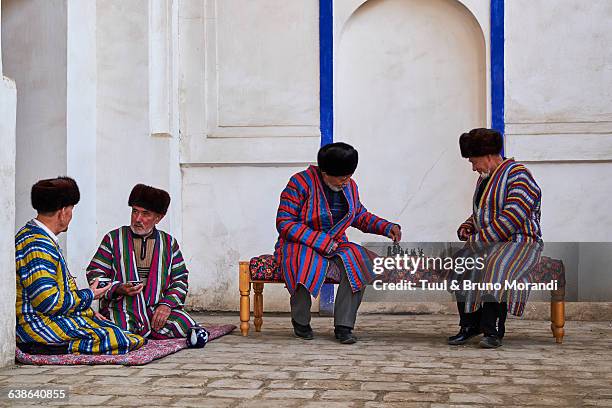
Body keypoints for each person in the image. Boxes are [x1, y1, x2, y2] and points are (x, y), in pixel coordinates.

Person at [274, 142, 402, 344]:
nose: (346, 181)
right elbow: (285, 222)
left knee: (358, 261)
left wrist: (386, 227)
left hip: (335, 243)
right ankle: (301, 321)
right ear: (324, 172)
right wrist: (320, 241)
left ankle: (344, 326)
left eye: (349, 175)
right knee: (302, 262)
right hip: (300, 242)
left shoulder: (350, 186)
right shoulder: (299, 183)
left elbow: (359, 215)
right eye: (342, 176)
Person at [16, 177, 145, 355]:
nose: (71, 215)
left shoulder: (35, 236)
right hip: (37, 325)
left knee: (120, 332)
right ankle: (52, 347)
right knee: (117, 338)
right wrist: (90, 295)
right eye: (71, 209)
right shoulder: (38, 245)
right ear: (63, 212)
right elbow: (48, 301)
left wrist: (85, 309)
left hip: (51, 316)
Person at [449, 128, 542, 348]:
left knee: (496, 265)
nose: (473, 168)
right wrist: (468, 226)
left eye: (474, 162)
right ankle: (470, 325)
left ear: (489, 156)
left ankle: (493, 330)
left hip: (520, 242)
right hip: (491, 242)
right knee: (460, 264)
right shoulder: (485, 179)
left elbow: (512, 217)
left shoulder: (519, 175)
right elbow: (484, 212)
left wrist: (478, 241)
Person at [87, 184, 208, 346]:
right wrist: (118, 288)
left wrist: (166, 305)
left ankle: (139, 334)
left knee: (183, 322)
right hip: (122, 308)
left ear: (159, 218)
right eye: (135, 211)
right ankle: (129, 334)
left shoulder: (169, 243)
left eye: (145, 214)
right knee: (115, 328)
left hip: (156, 309)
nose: (137, 219)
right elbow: (95, 274)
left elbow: (180, 280)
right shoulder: (113, 238)